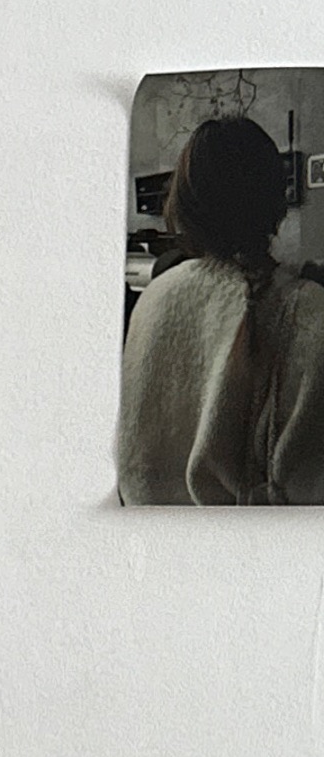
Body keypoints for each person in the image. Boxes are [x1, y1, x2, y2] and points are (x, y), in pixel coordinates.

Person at [119, 112, 324, 503]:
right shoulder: (308, 311)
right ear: (276, 199)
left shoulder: (155, 296)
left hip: (146, 530)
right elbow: (309, 481)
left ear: (184, 201)